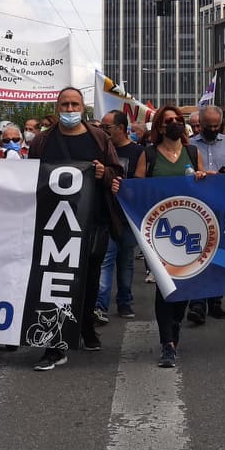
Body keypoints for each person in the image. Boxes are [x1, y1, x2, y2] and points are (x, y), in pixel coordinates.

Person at [26, 87, 123, 371]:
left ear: (83, 108)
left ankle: (85, 326)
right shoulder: (43, 141)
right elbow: (29, 176)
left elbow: (118, 174)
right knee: (55, 281)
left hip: (92, 223)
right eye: (65, 105)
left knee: (90, 280)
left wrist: (105, 174)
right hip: (54, 226)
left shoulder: (99, 138)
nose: (70, 110)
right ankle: (54, 345)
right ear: (57, 108)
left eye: (74, 105)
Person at [135, 105, 207, 366]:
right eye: (168, 120)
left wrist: (202, 177)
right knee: (164, 285)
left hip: (190, 228)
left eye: (178, 119)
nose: (174, 123)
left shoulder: (193, 153)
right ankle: (167, 342)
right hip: (159, 231)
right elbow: (137, 188)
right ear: (160, 126)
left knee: (184, 283)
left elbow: (204, 187)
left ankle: (175, 323)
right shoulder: (149, 154)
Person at [185, 104, 225, 324]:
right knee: (198, 254)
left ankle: (215, 299)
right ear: (200, 124)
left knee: (220, 255)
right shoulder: (189, 145)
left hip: (224, 207)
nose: (212, 129)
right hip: (197, 207)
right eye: (208, 126)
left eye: (216, 126)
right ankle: (197, 302)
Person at [95, 110, 144, 326]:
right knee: (105, 261)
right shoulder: (100, 150)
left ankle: (125, 301)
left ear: (121, 128)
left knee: (126, 261)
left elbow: (142, 183)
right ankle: (100, 305)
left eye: (107, 128)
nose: (103, 132)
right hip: (105, 214)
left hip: (127, 217)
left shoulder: (138, 152)